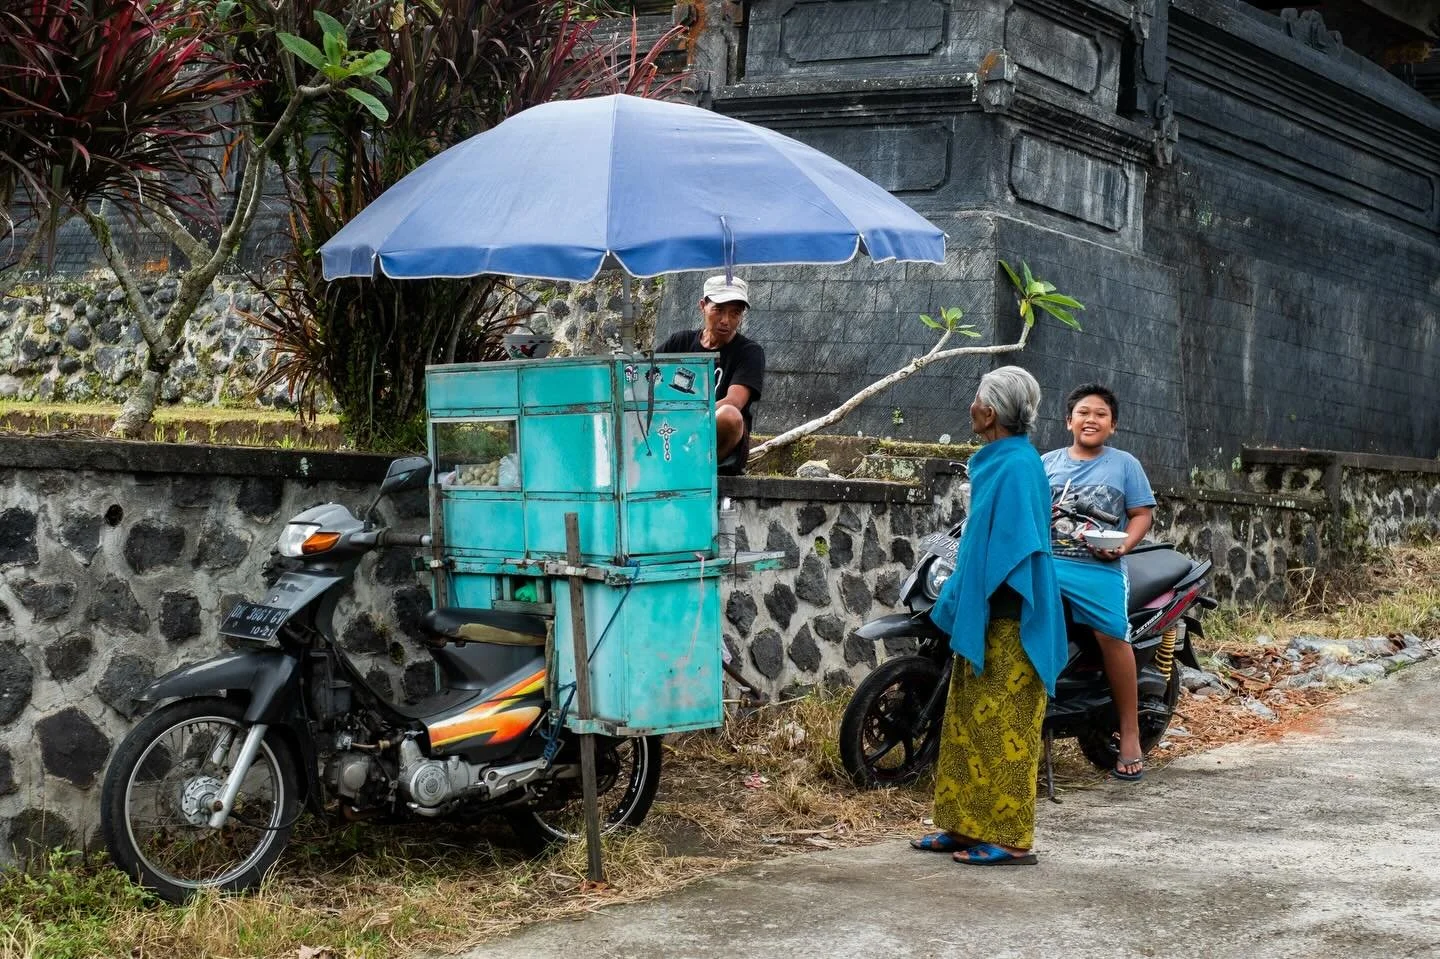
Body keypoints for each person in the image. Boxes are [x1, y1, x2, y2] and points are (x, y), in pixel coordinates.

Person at [910, 366, 1066, 866]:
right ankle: (963, 826)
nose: (971, 406)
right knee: (966, 725)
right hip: (987, 612)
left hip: (1012, 618)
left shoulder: (1018, 465)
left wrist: (973, 591)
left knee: (1008, 732)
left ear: (991, 412)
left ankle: (1014, 839)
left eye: (976, 398)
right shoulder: (998, 459)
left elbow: (1017, 547)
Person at [1042, 383, 1156, 781]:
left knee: (1112, 635)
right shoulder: (1046, 463)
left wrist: (1124, 543)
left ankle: (1129, 732)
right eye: (1084, 412)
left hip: (1097, 568)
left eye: (1101, 414)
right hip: (1047, 564)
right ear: (1068, 420)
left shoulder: (1125, 465)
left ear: (1113, 426)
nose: (1091, 419)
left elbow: (1142, 514)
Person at [656, 275, 765, 475]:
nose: (726, 320)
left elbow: (735, 401)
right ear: (703, 306)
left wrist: (690, 418)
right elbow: (648, 378)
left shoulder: (749, 352)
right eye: (719, 310)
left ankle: (700, 469)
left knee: (729, 415)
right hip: (671, 429)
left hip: (715, 438)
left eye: (735, 313)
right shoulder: (679, 342)